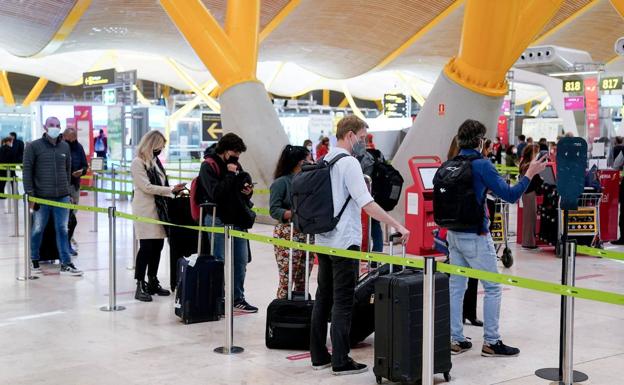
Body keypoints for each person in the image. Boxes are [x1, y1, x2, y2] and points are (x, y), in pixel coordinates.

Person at [310, 115, 410, 375]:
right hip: (344, 241)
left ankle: (319, 354)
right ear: (351, 134)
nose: (363, 143)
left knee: (323, 298)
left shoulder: (324, 160)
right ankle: (341, 360)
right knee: (343, 301)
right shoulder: (349, 163)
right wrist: (397, 225)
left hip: (324, 240)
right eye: (363, 137)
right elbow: (367, 203)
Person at [447, 119, 546, 358]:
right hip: (476, 236)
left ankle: (455, 338)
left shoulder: (450, 163)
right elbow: (511, 195)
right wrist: (529, 174)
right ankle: (491, 341)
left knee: (456, 287)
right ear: (481, 141)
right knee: (492, 287)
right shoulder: (482, 165)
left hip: (453, 234)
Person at [198, 133, 258, 313]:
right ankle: (219, 297)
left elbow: (237, 191)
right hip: (217, 218)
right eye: (234, 151)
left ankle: (237, 297)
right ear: (224, 150)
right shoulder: (208, 166)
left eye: (239, 153)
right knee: (220, 260)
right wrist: (230, 174)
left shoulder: (236, 165)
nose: (237, 156)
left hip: (237, 218)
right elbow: (216, 193)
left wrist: (247, 192)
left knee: (240, 261)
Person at [23, 117, 83, 276]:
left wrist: (69, 192)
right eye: (51, 125)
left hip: (62, 196)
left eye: (57, 125)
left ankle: (66, 262)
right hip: (41, 197)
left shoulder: (65, 147)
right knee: (37, 229)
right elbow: (27, 172)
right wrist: (31, 195)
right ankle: (34, 258)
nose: (54, 128)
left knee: (63, 229)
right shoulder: (33, 147)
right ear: (45, 127)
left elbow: (67, 170)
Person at [131, 130, 186, 302]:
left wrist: (173, 191)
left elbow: (162, 184)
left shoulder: (155, 163)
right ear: (152, 144)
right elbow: (146, 187)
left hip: (160, 210)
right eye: (160, 146)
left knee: (158, 247)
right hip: (145, 210)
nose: (161, 149)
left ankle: (152, 280)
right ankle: (140, 284)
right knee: (146, 247)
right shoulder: (138, 163)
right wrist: (170, 190)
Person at [446, 135, 482, 327]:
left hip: (454, 227)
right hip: (467, 228)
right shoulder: (465, 168)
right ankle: (465, 315)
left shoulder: (448, 166)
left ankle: (462, 319)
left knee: (460, 281)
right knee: (467, 279)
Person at [270, 145, 313, 298]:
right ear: (299, 162)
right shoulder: (281, 183)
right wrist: (294, 213)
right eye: (308, 159)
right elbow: (274, 210)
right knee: (286, 280)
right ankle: (283, 313)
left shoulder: (308, 180)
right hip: (287, 234)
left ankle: (301, 314)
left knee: (303, 279)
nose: (312, 161)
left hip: (307, 234)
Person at [63, 128, 88, 256]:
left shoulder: (78, 147)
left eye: (74, 138)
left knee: (72, 216)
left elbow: (85, 165)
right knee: (66, 218)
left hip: (75, 185)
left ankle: (68, 239)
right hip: (62, 187)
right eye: (70, 138)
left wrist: (81, 171)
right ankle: (65, 244)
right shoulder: (60, 146)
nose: (73, 140)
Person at [519, 144, 543, 249]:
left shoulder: (524, 164)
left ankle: (528, 241)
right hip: (529, 193)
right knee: (530, 219)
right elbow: (534, 181)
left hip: (526, 193)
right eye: (536, 152)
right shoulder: (529, 165)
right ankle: (529, 243)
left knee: (529, 218)